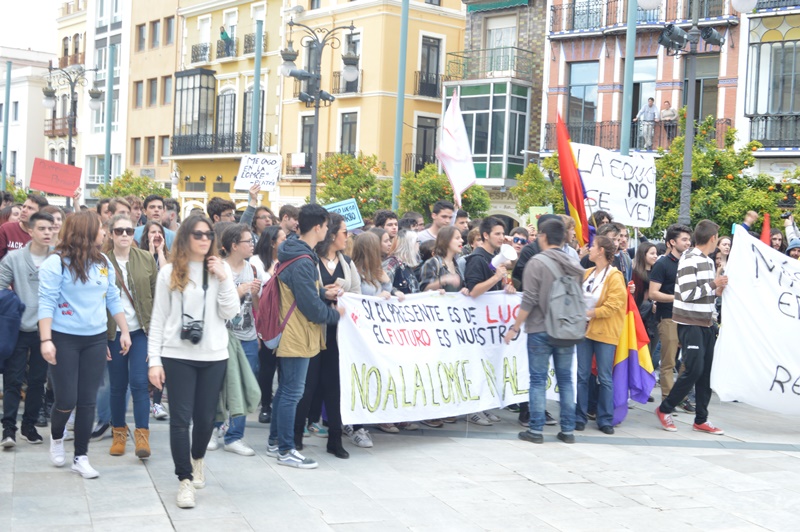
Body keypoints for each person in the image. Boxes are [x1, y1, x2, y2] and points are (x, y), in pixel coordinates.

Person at [147, 214, 239, 508]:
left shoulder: (220, 269)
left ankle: (197, 458)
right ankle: (184, 480)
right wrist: (154, 360)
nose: (204, 239)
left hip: (214, 355)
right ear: (186, 236)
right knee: (180, 420)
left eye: (208, 235)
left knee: (205, 420)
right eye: (198, 234)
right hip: (177, 355)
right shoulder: (170, 272)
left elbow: (230, 313)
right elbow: (158, 319)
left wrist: (224, 279)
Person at [38, 211, 131, 479]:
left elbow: (112, 297)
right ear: (86, 232)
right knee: (67, 399)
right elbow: (46, 302)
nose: (104, 232)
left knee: (87, 401)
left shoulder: (103, 262)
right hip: (63, 337)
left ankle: (81, 456)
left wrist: (123, 330)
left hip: (96, 338)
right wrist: (46, 340)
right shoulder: (56, 263)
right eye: (101, 228)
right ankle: (57, 438)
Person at [267, 204, 344, 469]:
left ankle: (276, 441)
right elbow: (308, 306)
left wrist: (324, 294)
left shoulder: (296, 252)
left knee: (286, 390)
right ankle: (286, 449)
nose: (328, 230)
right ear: (318, 226)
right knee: (292, 392)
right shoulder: (302, 259)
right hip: (296, 334)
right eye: (326, 226)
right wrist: (337, 315)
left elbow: (305, 294)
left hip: (293, 332)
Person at [504, 218, 583, 444]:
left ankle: (536, 430)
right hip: (567, 329)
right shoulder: (575, 264)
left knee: (538, 380)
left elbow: (529, 300)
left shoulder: (536, 263)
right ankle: (568, 430)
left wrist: (515, 326)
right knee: (566, 380)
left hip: (540, 328)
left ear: (544, 237)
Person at [294, 213, 360, 458]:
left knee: (335, 387)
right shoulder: (310, 261)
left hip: (339, 335)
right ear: (332, 234)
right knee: (307, 386)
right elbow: (306, 292)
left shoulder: (347, 263)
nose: (348, 236)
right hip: (314, 330)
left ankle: (335, 440)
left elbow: (356, 292)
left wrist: (343, 296)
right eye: (345, 232)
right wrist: (325, 294)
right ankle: (295, 437)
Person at [656, 220, 728, 435]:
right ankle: (664, 409)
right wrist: (714, 284)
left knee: (706, 373)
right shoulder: (690, 258)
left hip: (706, 322)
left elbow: (706, 293)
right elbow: (686, 293)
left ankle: (701, 419)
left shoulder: (706, 261)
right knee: (694, 369)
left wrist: (719, 288)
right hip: (689, 323)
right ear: (713, 238)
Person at [104, 214, 158, 459]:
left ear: (134, 233)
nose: (124, 235)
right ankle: (118, 435)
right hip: (113, 333)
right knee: (117, 386)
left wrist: (157, 336)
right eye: (119, 231)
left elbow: (158, 297)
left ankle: (142, 437)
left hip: (141, 331)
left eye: (128, 230)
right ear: (110, 233)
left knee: (138, 383)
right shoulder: (101, 261)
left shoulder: (146, 258)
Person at [0, 212, 55, 448]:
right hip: (19, 327)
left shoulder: (58, 258)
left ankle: (29, 426)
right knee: (12, 380)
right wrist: (15, 304)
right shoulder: (14, 258)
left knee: (38, 381)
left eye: (50, 229)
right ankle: (8, 429)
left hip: (46, 330)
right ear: (30, 231)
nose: (47, 233)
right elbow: (1, 285)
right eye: (42, 228)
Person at [208, 223, 261, 456]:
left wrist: (255, 294)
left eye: (252, 241)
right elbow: (213, 303)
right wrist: (239, 291)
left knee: (244, 387)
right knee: (216, 386)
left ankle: (235, 436)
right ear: (234, 246)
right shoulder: (219, 268)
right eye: (248, 241)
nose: (252, 245)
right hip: (223, 335)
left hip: (247, 335)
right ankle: (211, 430)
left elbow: (255, 307)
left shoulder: (253, 268)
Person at [463, 217, 514, 425]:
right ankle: (473, 409)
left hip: (488, 323)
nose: (502, 238)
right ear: (485, 235)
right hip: (477, 322)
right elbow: (474, 291)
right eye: (497, 234)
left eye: (503, 234)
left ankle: (484, 406)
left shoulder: (493, 257)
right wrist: (495, 278)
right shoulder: (477, 259)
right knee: (477, 365)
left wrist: (505, 288)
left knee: (488, 365)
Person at [575, 236, 626, 434]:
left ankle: (605, 418)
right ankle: (579, 416)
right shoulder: (587, 272)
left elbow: (614, 305)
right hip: (584, 330)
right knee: (582, 375)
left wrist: (589, 313)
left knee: (604, 376)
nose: (590, 248)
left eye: (593, 246)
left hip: (604, 330)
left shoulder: (614, 276)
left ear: (602, 251)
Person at [649, 224, 693, 410]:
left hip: (688, 317)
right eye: (684, 239)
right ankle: (667, 398)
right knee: (668, 361)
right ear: (672, 242)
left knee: (689, 360)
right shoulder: (662, 264)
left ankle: (679, 396)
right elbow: (653, 293)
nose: (688, 243)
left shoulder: (690, 263)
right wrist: (677, 298)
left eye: (689, 240)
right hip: (668, 316)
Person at [251, 226, 286, 424]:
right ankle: (265, 404)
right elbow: (258, 289)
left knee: (283, 364)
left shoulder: (288, 258)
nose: (285, 242)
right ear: (272, 242)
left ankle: (280, 404)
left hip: (285, 318)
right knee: (267, 365)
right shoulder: (256, 261)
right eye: (282, 238)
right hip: (264, 318)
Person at [0, 194, 48, 260]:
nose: (24, 210)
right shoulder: (6, 229)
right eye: (24, 206)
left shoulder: (45, 234)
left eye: (30, 208)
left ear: (41, 213)